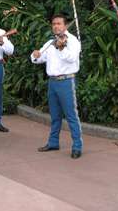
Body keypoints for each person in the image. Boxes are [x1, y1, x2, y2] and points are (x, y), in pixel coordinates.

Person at [30, 14, 83, 159]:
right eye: (54, 24)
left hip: (66, 81)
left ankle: (77, 146)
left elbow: (72, 58)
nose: (56, 26)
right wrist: (35, 55)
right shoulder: (50, 42)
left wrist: (61, 49)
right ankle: (53, 142)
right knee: (55, 115)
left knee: (71, 115)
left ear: (65, 26)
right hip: (52, 82)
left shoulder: (72, 41)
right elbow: (38, 58)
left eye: (59, 24)